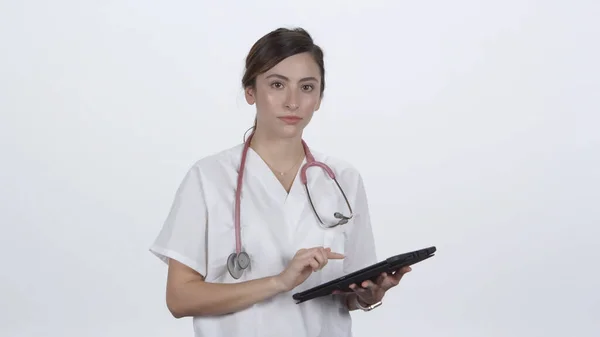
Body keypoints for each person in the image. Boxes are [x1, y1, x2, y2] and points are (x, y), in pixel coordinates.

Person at [149, 27, 412, 337]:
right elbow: (179, 298)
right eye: (277, 85)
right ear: (250, 92)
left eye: (307, 87)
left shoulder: (343, 179)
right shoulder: (209, 177)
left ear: (319, 98)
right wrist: (279, 282)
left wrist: (368, 296)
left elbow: (351, 291)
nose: (292, 102)